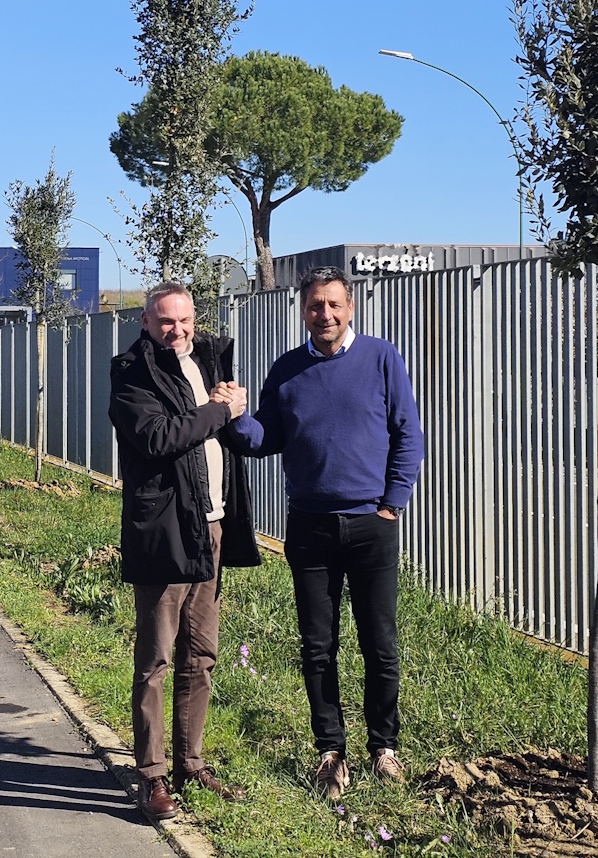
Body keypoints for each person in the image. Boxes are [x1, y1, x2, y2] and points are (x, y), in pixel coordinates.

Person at [224, 266, 424, 800]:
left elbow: (408, 434)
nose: (325, 314)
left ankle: (384, 747)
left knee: (380, 645)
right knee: (318, 646)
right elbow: (265, 435)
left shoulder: (381, 358)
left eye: (334, 304)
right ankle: (330, 750)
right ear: (303, 310)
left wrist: (391, 505)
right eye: (316, 305)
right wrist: (233, 417)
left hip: (370, 526)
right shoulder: (287, 369)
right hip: (309, 527)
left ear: (350, 306)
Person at [109, 280, 262, 821]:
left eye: (185, 320)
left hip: (212, 525)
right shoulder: (131, 373)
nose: (178, 330)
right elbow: (158, 437)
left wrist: (236, 413)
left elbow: (227, 430)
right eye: (165, 321)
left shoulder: (210, 362)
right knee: (155, 659)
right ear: (146, 322)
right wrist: (220, 412)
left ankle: (190, 764)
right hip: (165, 531)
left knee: (202, 654)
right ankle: (151, 777)